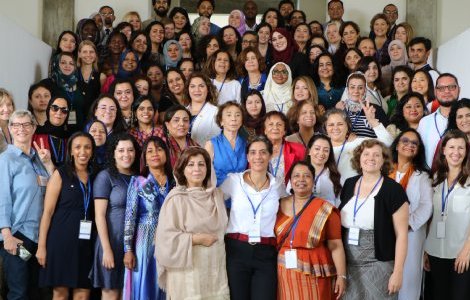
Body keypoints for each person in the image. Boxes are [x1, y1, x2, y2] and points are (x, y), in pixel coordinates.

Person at [155, 147, 230, 299]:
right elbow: (165, 240)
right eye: (190, 164)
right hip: (187, 272)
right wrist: (196, 239)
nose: (197, 169)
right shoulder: (176, 199)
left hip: (215, 269)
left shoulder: (217, 196)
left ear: (208, 169)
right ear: (182, 169)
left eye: (201, 164)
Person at [339, 139, 409, 299]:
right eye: (366, 154)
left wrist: (398, 272)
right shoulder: (349, 184)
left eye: (377, 155)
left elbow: (402, 235)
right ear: (359, 158)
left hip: (379, 261)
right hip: (348, 262)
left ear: (383, 160)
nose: (371, 158)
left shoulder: (393, 189)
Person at [220, 136, 287, 300]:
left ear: (270, 155)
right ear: (248, 157)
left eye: (263, 152)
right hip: (236, 250)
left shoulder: (278, 185)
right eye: (253, 152)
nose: (258, 157)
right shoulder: (233, 181)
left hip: (266, 252)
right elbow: (214, 203)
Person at [0, 110, 53, 300]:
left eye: (26, 124)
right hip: (18, 237)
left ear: (34, 128)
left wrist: (48, 165)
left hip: (40, 238)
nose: (21, 129)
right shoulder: (6, 159)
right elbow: (2, 197)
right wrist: (6, 235)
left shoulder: (40, 159)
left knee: (37, 292)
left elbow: (55, 191)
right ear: (10, 129)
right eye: (16, 125)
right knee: (19, 293)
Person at [37, 132, 96, 299]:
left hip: (86, 242)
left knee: (83, 294)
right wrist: (42, 247)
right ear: (71, 151)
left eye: (87, 147)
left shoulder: (96, 175)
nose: (82, 151)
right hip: (61, 241)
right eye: (78, 147)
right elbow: (47, 212)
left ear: (92, 151)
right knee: (60, 293)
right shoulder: (60, 174)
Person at [276, 161, 346, 299]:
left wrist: (342, 275)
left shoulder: (325, 209)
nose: (301, 179)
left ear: (313, 181)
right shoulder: (277, 205)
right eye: (296, 175)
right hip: (284, 273)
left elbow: (336, 246)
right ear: (290, 180)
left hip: (315, 272)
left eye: (306, 176)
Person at [123, 136, 175, 300]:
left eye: (159, 149)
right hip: (145, 241)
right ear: (144, 157)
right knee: (147, 285)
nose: (155, 154)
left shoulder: (176, 182)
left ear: (166, 154)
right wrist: (128, 250)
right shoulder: (138, 182)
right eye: (150, 151)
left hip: (171, 241)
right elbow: (130, 217)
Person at [90, 133, 139, 299]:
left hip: (134, 246)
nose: (126, 154)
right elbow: (99, 216)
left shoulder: (139, 177)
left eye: (130, 150)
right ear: (113, 153)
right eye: (121, 150)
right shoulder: (105, 176)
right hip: (111, 242)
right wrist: (106, 250)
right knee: (111, 294)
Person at [424, 130, 470, 299]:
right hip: (435, 253)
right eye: (451, 147)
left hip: (461, 254)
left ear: (466, 151)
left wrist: (467, 250)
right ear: (443, 150)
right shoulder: (435, 179)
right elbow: (430, 217)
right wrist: (426, 250)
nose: (456, 152)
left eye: (461, 148)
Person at [389, 129, 432, 300]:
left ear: (418, 149)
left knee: (408, 281)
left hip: (411, 233)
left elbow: (426, 206)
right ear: (397, 145)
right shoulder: (384, 171)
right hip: (386, 232)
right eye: (405, 141)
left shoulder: (423, 176)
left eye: (414, 143)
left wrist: (406, 224)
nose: (409, 145)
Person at [324, 108, 393, 183]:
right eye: (331, 125)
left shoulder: (358, 143)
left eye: (340, 124)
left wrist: (372, 121)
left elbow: (388, 142)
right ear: (325, 128)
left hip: (354, 191)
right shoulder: (320, 148)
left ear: (347, 126)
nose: (335, 128)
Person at [417, 73, 460, 167]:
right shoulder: (424, 122)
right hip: (430, 176)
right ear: (435, 91)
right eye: (441, 88)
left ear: (459, 89)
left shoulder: (466, 121)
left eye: (452, 87)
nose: (447, 91)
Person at [204, 101, 247, 186]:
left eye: (238, 115)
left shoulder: (246, 144)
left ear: (241, 121)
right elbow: (205, 173)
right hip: (218, 192)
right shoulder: (211, 144)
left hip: (241, 192)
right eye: (229, 115)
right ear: (221, 121)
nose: (233, 119)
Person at [336, 72, 389, 138]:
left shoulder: (375, 109)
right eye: (352, 87)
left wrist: (373, 121)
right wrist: (337, 112)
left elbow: (387, 137)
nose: (356, 91)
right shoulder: (339, 110)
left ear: (365, 90)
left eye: (360, 88)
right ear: (347, 90)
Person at [263, 111, 306, 184]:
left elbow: (305, 174)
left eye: (279, 124)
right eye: (271, 124)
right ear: (265, 130)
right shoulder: (257, 151)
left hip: (289, 193)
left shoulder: (298, 149)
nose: (275, 127)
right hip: (264, 193)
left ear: (284, 131)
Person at [33, 97, 70, 166]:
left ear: (67, 114)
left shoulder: (71, 138)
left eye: (64, 110)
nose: (59, 112)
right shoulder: (35, 134)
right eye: (55, 108)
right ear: (48, 110)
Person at [185, 73, 221, 146]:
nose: (197, 90)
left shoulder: (216, 112)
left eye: (201, 86)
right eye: (192, 86)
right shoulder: (182, 111)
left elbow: (216, 141)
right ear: (188, 90)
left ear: (208, 89)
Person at [77, 41, 103, 117]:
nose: (88, 55)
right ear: (79, 54)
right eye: (84, 52)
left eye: (91, 52)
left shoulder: (101, 76)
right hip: (75, 117)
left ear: (95, 55)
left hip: (93, 117)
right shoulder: (72, 74)